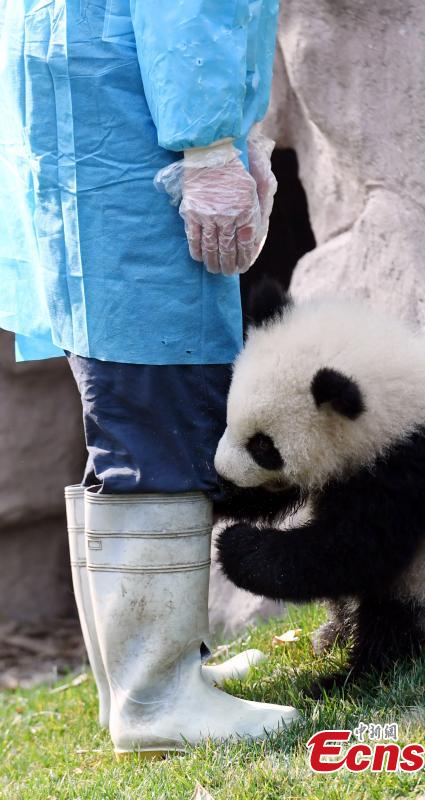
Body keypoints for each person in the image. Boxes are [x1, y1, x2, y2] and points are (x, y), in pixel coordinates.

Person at [0, 1, 298, 757]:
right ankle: (157, 698)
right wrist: (209, 142)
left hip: (112, 116)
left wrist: (237, 131)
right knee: (156, 400)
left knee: (135, 401)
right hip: (135, 132)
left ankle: (149, 679)